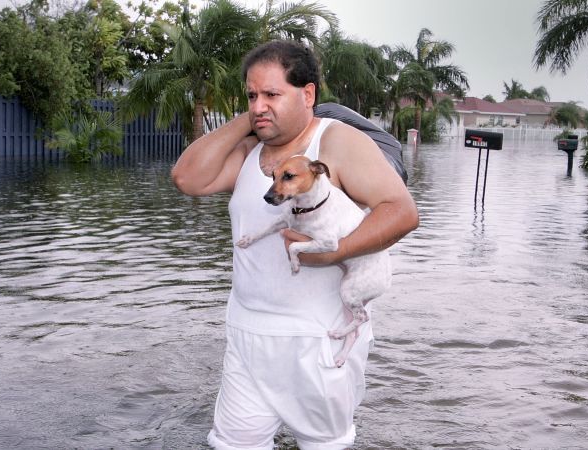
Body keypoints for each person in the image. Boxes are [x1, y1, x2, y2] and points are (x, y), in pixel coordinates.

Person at [171, 40, 419, 450]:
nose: (258, 105)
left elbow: (401, 212)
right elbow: (187, 179)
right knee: (233, 444)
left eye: (272, 94)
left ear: (308, 95)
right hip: (247, 334)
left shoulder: (335, 142)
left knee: (324, 445)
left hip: (317, 338)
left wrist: (337, 251)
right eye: (252, 95)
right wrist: (249, 120)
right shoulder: (251, 152)